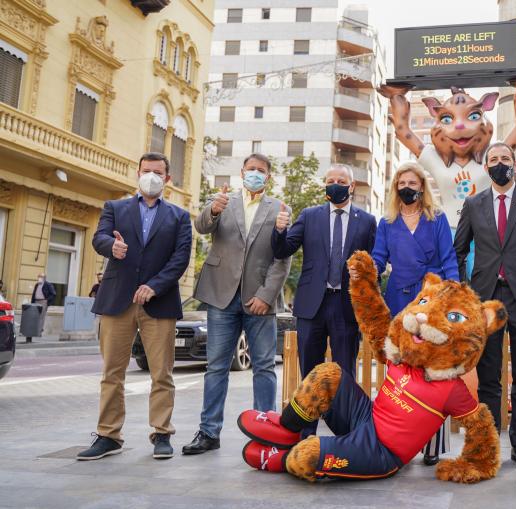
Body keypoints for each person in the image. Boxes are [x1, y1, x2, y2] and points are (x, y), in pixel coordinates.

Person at [77, 152, 192, 461]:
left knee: (162, 373)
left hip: (160, 302)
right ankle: (108, 435)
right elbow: (99, 236)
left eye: (158, 172)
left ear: (167, 179)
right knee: (112, 372)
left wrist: (155, 286)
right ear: (137, 173)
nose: (151, 176)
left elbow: (180, 258)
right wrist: (110, 246)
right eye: (146, 171)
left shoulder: (180, 217)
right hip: (117, 300)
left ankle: (161, 433)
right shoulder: (115, 208)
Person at [454, 142, 516, 470]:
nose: (499, 164)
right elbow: (458, 250)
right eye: (493, 160)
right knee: (488, 377)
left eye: (505, 159)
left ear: (515, 163)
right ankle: (489, 443)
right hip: (486, 300)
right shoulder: (473, 204)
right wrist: (466, 294)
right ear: (487, 168)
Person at [350, 161, 458, 465]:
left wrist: (450, 298)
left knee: (432, 372)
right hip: (397, 299)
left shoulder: (436, 219)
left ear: (422, 186)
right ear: (396, 188)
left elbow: (448, 258)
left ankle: (434, 447)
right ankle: (399, 441)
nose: (407, 188)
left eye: (413, 182)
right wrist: (365, 269)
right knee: (398, 371)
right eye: (402, 183)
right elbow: (380, 258)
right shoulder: (387, 222)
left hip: (430, 299)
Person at [183, 154, 291, 455]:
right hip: (221, 296)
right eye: (251, 170)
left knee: (265, 367)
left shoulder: (280, 209)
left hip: (259, 300)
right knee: (216, 367)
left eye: (261, 171)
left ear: (268, 177)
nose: (255, 174)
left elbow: (282, 258)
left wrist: (266, 296)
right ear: (241, 172)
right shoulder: (223, 201)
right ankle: (208, 432)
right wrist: (212, 210)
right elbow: (201, 227)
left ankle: (265, 431)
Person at [272, 163, 377, 435]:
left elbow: (375, 262)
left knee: (345, 372)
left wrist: (365, 271)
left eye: (341, 179)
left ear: (351, 186)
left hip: (346, 305)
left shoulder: (366, 221)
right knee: (310, 371)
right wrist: (280, 230)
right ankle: (307, 434)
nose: (335, 183)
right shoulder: (309, 216)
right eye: (330, 179)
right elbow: (284, 249)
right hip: (311, 305)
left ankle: (345, 433)